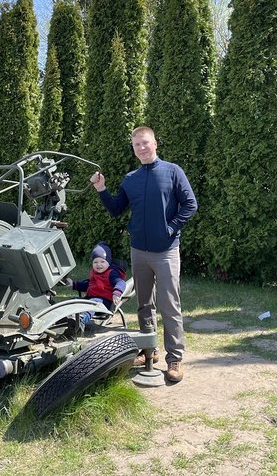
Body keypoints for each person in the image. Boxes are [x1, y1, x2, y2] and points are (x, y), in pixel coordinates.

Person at [90, 126, 197, 382]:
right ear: (134, 149)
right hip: (139, 252)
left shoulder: (172, 171)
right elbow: (117, 209)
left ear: (155, 143)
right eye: (137, 145)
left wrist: (170, 228)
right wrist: (102, 190)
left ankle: (175, 359)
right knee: (144, 304)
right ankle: (150, 351)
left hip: (166, 252)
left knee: (170, 305)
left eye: (145, 143)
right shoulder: (131, 179)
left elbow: (190, 204)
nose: (142, 148)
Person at [64, 242, 127, 326]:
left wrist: (116, 293)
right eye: (95, 262)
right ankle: (66, 319)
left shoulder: (111, 274)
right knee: (74, 301)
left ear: (108, 262)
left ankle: (81, 320)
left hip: (105, 303)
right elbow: (89, 285)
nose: (99, 265)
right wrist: (74, 284)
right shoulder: (95, 273)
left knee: (92, 303)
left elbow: (121, 282)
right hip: (91, 300)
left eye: (102, 261)